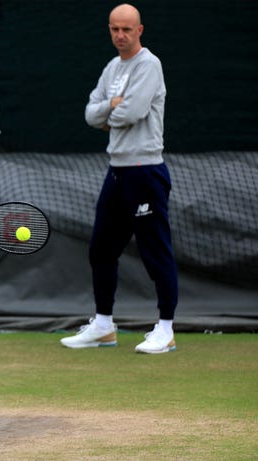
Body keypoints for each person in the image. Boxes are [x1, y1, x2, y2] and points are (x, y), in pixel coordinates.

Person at [61, 4, 179, 354]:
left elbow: (132, 112)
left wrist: (111, 108)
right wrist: (111, 107)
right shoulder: (113, 67)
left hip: (146, 170)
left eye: (127, 29)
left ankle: (166, 329)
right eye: (114, 29)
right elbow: (89, 113)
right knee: (101, 249)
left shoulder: (149, 65)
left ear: (140, 30)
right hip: (116, 170)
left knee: (155, 250)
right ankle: (103, 325)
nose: (120, 35)